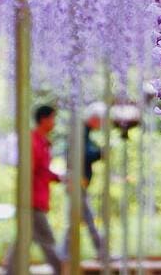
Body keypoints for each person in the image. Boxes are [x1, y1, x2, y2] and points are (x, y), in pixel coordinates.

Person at [5, 104, 65, 275]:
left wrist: (58, 178)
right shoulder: (34, 141)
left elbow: (42, 170)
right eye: (52, 118)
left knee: (23, 240)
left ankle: (9, 272)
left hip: (37, 199)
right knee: (47, 240)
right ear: (44, 119)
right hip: (32, 201)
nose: (54, 123)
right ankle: (60, 269)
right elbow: (29, 170)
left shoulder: (43, 142)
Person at [62, 103, 106, 258]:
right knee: (85, 217)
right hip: (77, 182)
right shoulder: (80, 132)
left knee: (79, 218)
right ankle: (100, 251)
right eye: (101, 121)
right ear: (94, 119)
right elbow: (83, 154)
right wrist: (100, 153)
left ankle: (65, 253)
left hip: (78, 182)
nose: (101, 125)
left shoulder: (82, 132)